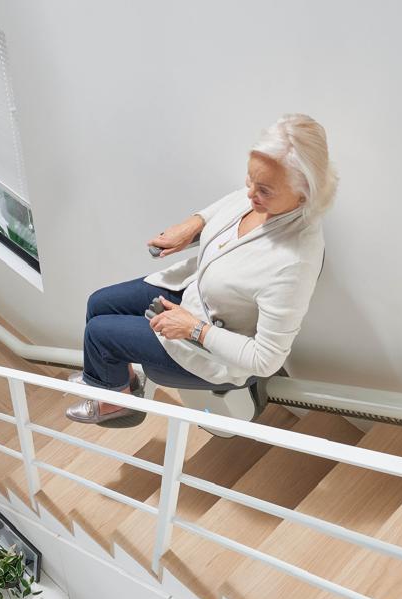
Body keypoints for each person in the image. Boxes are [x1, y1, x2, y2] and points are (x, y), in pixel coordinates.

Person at [66, 113, 339, 425]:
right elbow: (231, 204)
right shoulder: (268, 196)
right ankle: (119, 383)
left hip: (209, 339)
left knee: (99, 335)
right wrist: (193, 225)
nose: (250, 194)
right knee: (98, 303)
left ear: (305, 191)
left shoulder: (294, 263)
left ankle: (115, 402)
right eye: (249, 179)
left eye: (263, 189)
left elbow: (266, 359)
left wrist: (193, 329)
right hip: (193, 288)